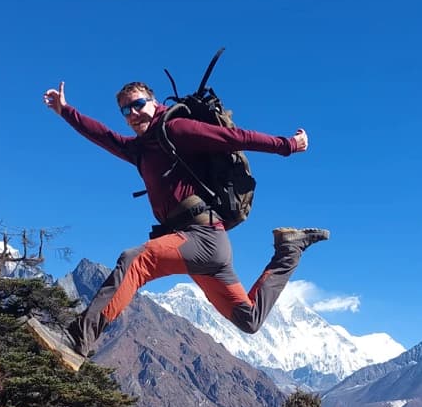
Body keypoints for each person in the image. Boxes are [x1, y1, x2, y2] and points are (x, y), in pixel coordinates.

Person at [42, 79, 330, 360]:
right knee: (249, 319)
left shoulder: (176, 129)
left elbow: (234, 138)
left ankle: (79, 338)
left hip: (203, 237)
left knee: (136, 260)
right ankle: (289, 250)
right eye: (125, 111)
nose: (132, 114)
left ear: (154, 104)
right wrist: (65, 110)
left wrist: (288, 145)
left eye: (138, 105)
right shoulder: (139, 150)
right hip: (197, 246)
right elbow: (102, 135)